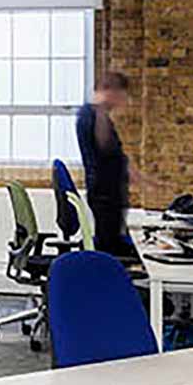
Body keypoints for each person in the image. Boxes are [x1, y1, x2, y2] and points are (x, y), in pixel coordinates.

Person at [71, 71, 138, 258]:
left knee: (113, 242)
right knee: (110, 248)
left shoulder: (95, 114)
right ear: (109, 91)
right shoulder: (93, 114)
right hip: (104, 193)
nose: (123, 101)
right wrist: (102, 109)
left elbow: (116, 155)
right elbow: (105, 148)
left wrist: (138, 176)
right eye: (121, 95)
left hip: (107, 191)